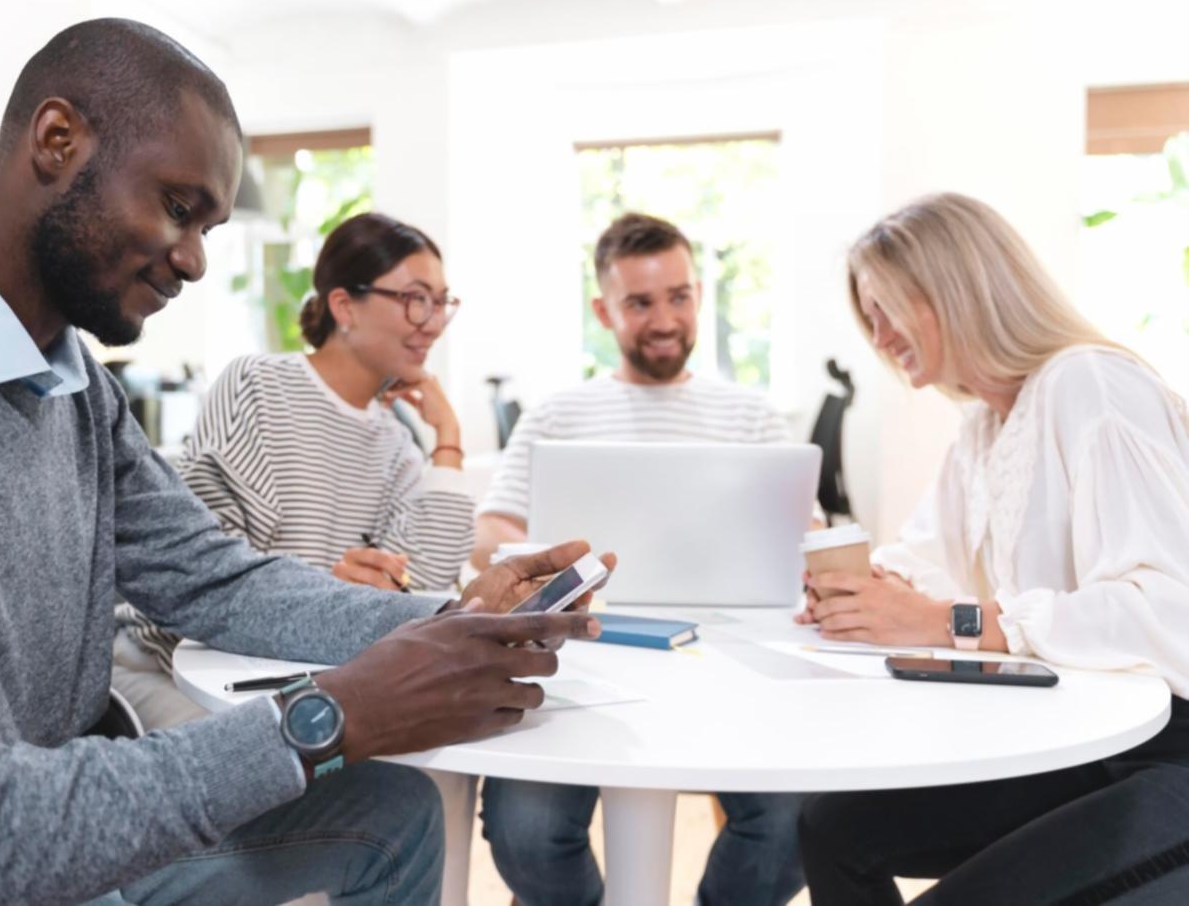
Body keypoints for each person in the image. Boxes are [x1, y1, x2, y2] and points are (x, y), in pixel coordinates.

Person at [0, 18, 602, 906]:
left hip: (56, 810)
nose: (191, 260)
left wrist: (445, 617)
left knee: (394, 814)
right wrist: (328, 716)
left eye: (210, 228)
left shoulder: (74, 389)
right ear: (56, 140)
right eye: (179, 209)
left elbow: (217, 580)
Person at [796, 192, 1189, 904]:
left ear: (956, 292)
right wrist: (855, 587)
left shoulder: (1091, 386)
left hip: (1172, 749)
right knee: (830, 830)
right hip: (1088, 739)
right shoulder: (984, 429)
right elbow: (924, 557)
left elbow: (1166, 613)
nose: (878, 337)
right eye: (869, 317)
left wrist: (945, 622)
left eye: (885, 309)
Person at [473, 212, 807, 906]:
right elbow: (493, 532)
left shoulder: (749, 416)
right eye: (641, 302)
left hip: (728, 661)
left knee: (794, 823)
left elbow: (801, 535)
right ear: (604, 310)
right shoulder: (559, 414)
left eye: (679, 296)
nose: (665, 319)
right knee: (527, 831)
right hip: (578, 656)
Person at [113, 210, 475, 731]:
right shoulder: (257, 386)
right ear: (344, 305)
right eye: (416, 299)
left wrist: (449, 441)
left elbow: (429, 589)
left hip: (292, 676)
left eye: (442, 302)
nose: (434, 321)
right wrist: (332, 595)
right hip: (174, 667)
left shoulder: (397, 443)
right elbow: (205, 579)